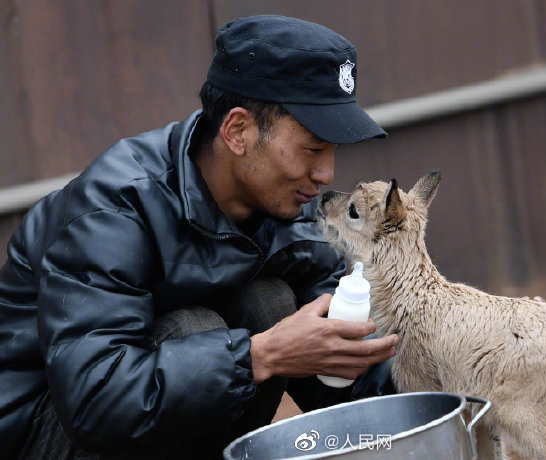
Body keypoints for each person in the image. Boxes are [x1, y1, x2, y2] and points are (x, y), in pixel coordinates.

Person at [0, 15, 399, 458]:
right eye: (312, 148)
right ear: (237, 131)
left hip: (133, 421)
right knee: (195, 330)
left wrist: (428, 399)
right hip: (39, 431)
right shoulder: (114, 208)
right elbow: (93, 402)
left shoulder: (287, 207)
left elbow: (351, 358)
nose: (326, 175)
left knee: (270, 303)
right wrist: (259, 356)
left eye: (333, 151)